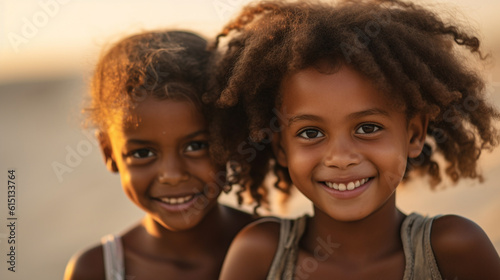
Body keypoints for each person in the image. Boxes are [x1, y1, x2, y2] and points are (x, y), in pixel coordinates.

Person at [205, 0, 500, 279]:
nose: (341, 157)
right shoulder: (260, 254)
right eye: (311, 133)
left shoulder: (454, 249)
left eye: (368, 128)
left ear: (414, 134)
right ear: (281, 146)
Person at [63, 30, 254, 280]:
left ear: (228, 139)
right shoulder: (96, 270)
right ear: (109, 153)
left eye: (196, 146)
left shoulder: (279, 246)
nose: (172, 176)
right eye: (142, 153)